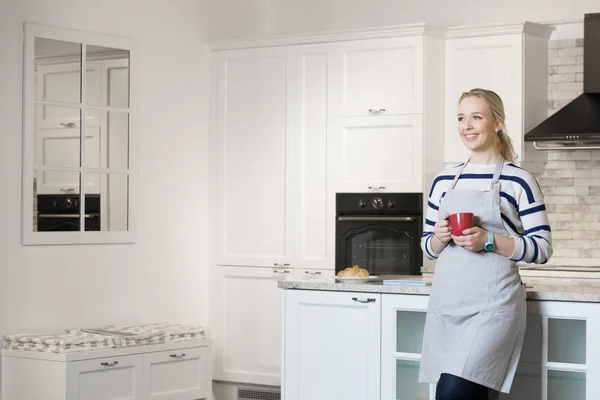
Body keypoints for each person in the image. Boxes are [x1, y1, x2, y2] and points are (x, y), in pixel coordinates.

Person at [418, 88, 553, 400]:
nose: (467, 125)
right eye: (462, 118)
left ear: (497, 123)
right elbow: (427, 248)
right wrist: (439, 238)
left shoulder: (519, 180)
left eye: (476, 117)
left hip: (493, 308)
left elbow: (542, 247)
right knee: (469, 394)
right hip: (448, 304)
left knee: (450, 393)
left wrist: (489, 240)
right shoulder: (443, 181)